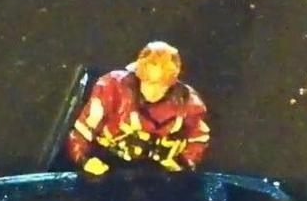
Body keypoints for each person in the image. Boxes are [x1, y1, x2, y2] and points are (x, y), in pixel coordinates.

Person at [65, 41, 211, 176]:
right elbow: (83, 130)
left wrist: (182, 163)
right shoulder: (111, 89)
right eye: (148, 83)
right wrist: (84, 160)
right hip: (107, 166)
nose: (153, 92)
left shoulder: (190, 105)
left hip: (157, 176)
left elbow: (198, 139)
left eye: (160, 86)